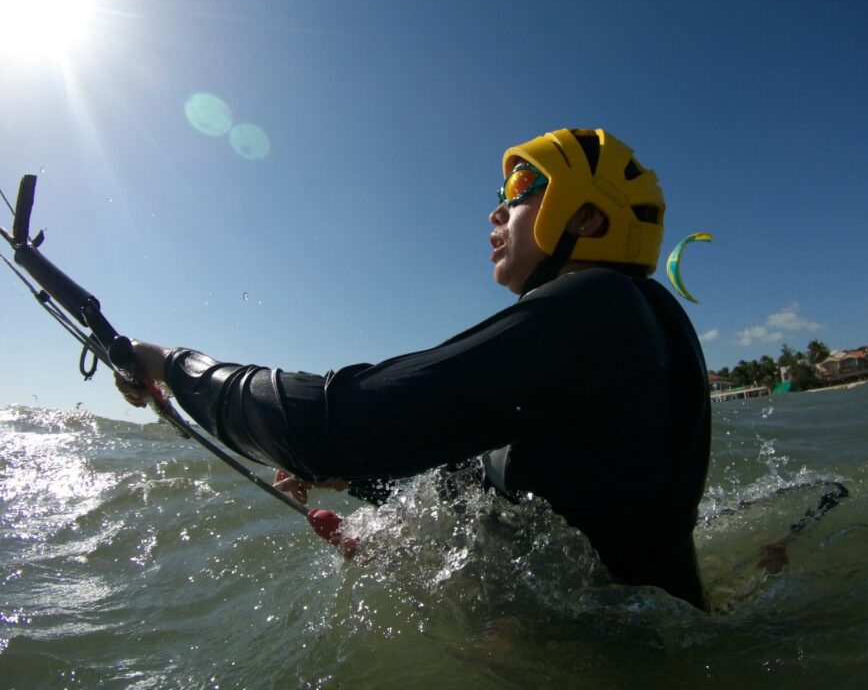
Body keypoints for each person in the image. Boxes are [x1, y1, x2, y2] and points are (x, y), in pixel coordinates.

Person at [117, 128, 712, 610]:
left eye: (521, 184)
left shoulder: (598, 306)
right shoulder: (625, 322)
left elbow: (335, 425)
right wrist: (361, 481)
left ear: (588, 218)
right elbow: (484, 486)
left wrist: (170, 365)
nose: (496, 210)